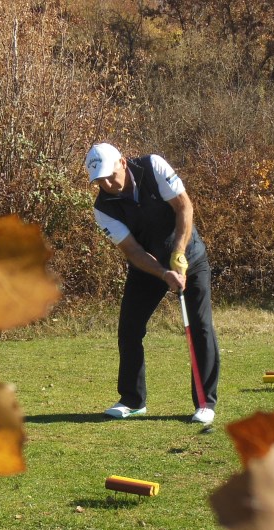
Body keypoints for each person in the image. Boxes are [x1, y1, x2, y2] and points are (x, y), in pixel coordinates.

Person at [84, 142, 219, 425]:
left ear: (122, 162)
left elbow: (184, 207)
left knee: (199, 327)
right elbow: (132, 251)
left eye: (110, 175)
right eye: (100, 181)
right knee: (129, 328)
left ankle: (205, 402)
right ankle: (133, 401)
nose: (108, 184)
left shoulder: (153, 167)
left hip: (189, 257)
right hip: (148, 267)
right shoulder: (103, 208)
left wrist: (179, 254)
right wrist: (163, 273)